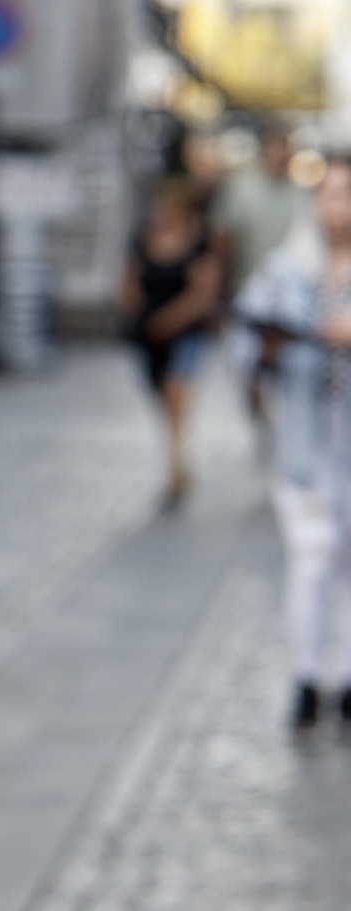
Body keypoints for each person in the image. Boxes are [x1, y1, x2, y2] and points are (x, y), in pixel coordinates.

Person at [235, 155, 351, 734]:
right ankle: (307, 678)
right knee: (311, 557)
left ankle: (347, 674)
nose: (340, 207)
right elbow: (245, 349)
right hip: (303, 439)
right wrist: (269, 347)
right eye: (332, 195)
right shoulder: (286, 270)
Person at [117, 176, 224, 508]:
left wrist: (171, 319)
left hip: (186, 331)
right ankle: (176, 453)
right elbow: (128, 283)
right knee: (162, 397)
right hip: (149, 335)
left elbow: (204, 292)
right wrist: (137, 312)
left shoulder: (198, 240)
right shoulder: (143, 238)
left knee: (177, 391)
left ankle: (174, 467)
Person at [210, 123, 306, 448]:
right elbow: (223, 240)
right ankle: (263, 422)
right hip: (245, 295)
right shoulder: (241, 190)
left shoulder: (301, 195)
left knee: (285, 369)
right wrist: (219, 294)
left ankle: (285, 430)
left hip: (288, 301)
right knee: (245, 371)